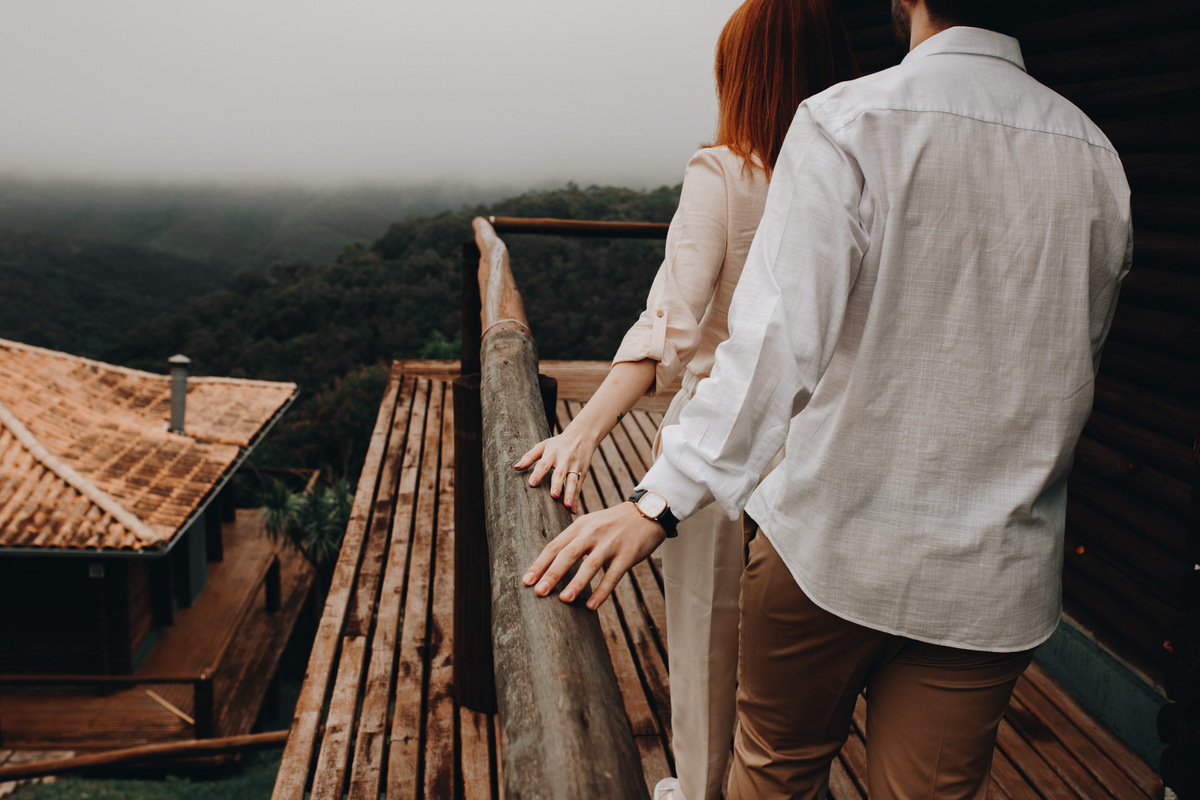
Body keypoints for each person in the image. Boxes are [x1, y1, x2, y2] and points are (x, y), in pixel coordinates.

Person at [522, 0, 1133, 797]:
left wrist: (657, 502)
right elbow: (1068, 365)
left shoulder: (851, 123)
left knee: (775, 772)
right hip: (990, 578)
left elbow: (776, 344)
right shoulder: (1096, 155)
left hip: (831, 550)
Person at [513, 2, 858, 798]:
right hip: (820, 445)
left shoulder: (725, 173)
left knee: (707, 639)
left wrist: (583, 432)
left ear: (742, 75)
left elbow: (668, 324)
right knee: (799, 667)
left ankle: (701, 788)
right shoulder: (854, 178)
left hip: (718, 438)